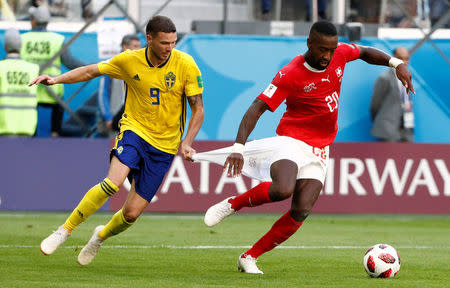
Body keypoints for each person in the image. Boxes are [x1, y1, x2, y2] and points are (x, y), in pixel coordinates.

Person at [196, 20, 414, 274]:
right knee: (282, 189)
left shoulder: (339, 53)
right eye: (322, 49)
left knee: (301, 210)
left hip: (320, 147)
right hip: (291, 140)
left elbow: (364, 52)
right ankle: (232, 204)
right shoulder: (291, 74)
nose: (327, 56)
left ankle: (249, 257)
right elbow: (257, 107)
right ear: (309, 43)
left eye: (331, 50)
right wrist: (238, 147)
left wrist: (396, 64)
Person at [31, 15, 205, 265]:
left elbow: (198, 108)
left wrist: (187, 141)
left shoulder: (186, 64)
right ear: (149, 39)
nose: (170, 48)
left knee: (131, 214)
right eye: (165, 42)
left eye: (173, 42)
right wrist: (56, 79)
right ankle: (64, 231)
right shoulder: (128, 60)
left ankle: (99, 237)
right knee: (112, 183)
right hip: (134, 131)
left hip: (165, 146)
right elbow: (91, 70)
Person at [20, 5, 87, 137]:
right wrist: (90, 68)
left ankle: (31, 140)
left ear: (33, 20)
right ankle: (54, 136)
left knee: (30, 121)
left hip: (29, 89)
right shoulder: (57, 39)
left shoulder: (23, 39)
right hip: (52, 88)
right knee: (58, 113)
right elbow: (70, 63)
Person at [97, 34, 141, 138]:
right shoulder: (111, 65)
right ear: (125, 47)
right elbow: (103, 93)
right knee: (116, 151)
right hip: (116, 119)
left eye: (139, 46)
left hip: (136, 121)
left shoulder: (141, 66)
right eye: (135, 46)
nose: (138, 49)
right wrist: (108, 117)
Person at [0, 28, 39, 136]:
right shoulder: (33, 69)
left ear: (5, 47)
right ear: (21, 47)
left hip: (3, 127)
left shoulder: (1, 68)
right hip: (28, 128)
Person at [370, 47, 414, 142]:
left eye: (407, 58)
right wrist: (383, 122)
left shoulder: (408, 78)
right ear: (394, 59)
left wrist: (409, 126)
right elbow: (375, 105)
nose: (404, 62)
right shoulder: (385, 78)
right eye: (401, 58)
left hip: (406, 129)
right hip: (387, 130)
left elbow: (407, 103)